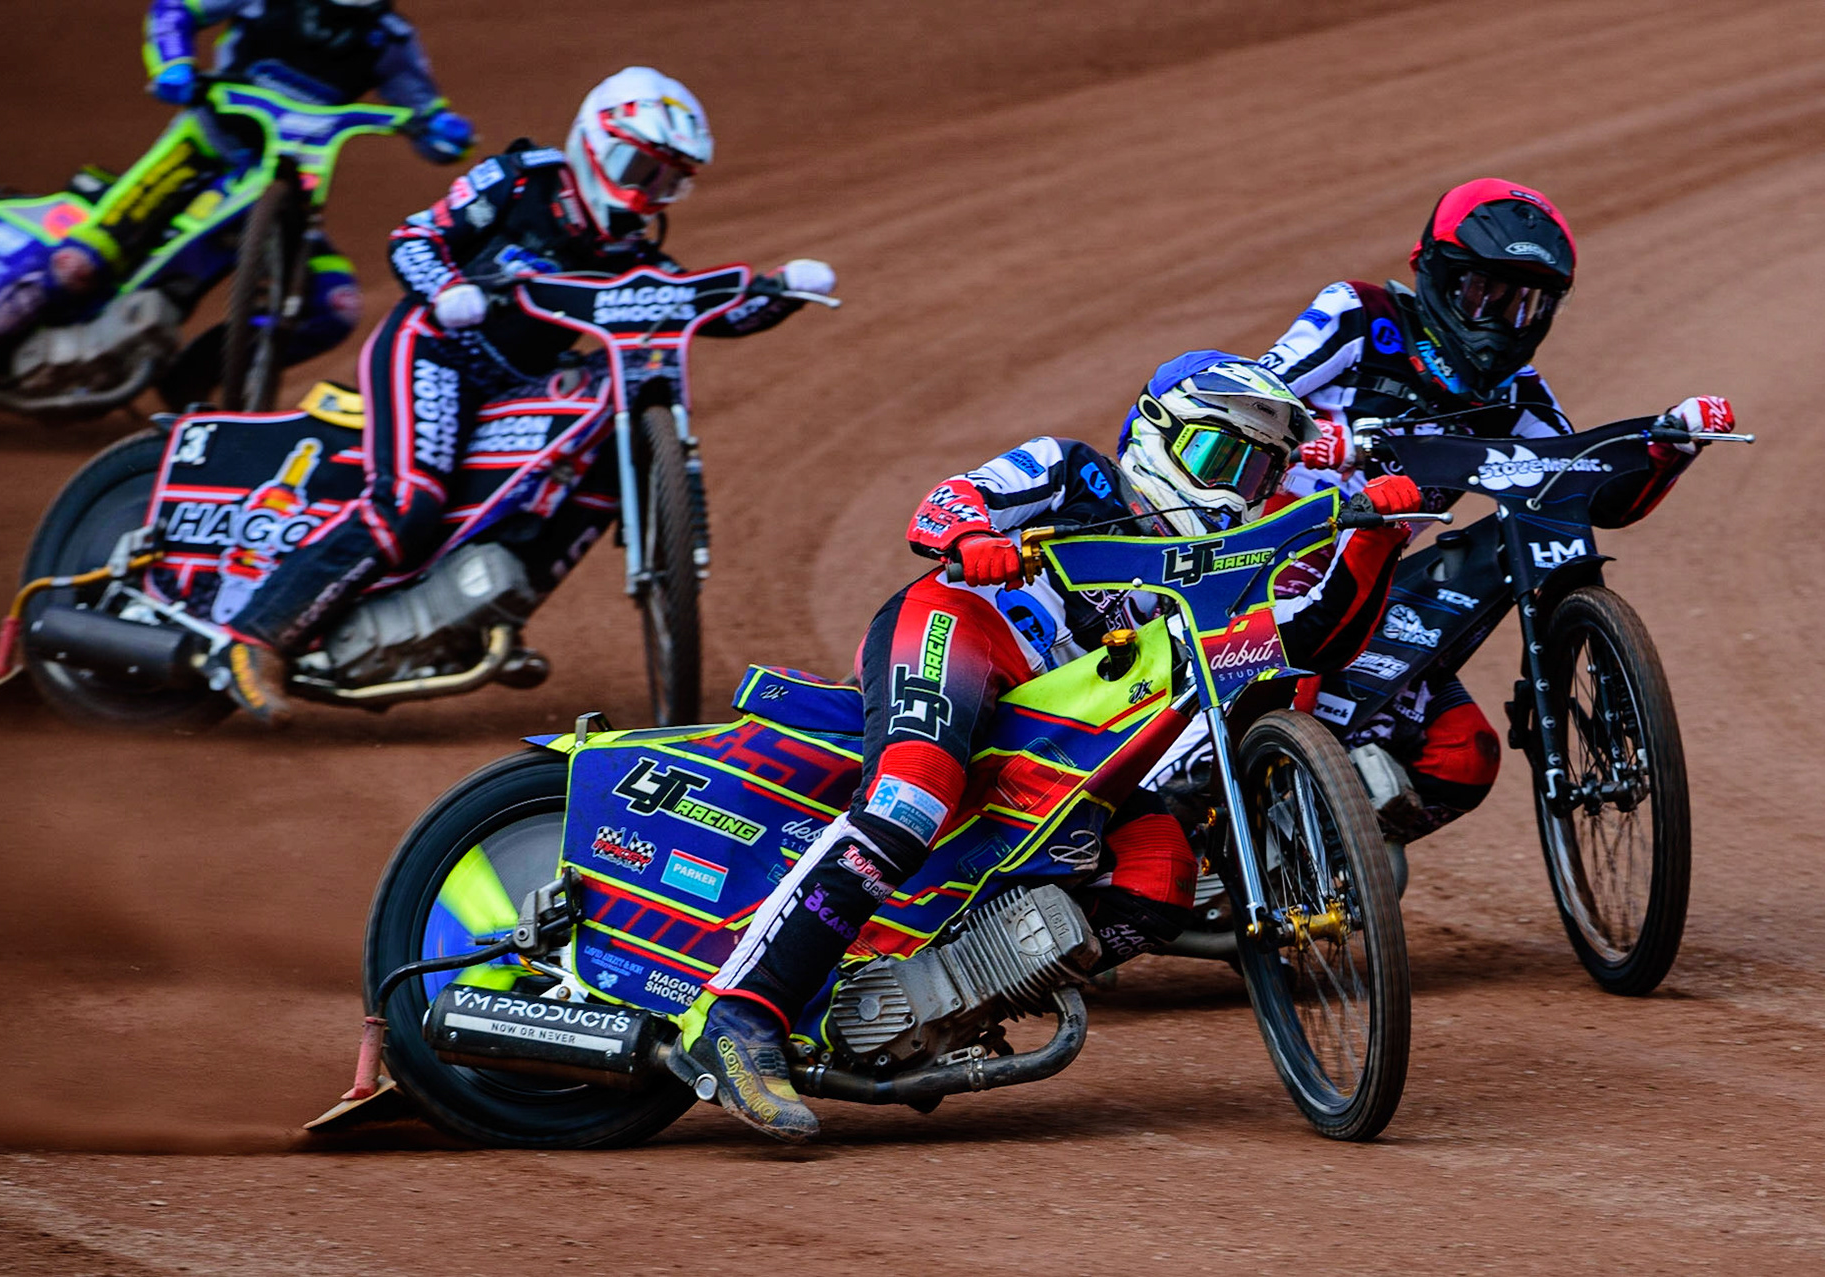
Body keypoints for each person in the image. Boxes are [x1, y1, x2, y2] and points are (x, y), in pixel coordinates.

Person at [678, 352, 1422, 1142]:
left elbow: (1313, 641)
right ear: (1157, 432)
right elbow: (947, 502)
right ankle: (739, 1017)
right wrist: (970, 535)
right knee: (911, 798)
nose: (1238, 490)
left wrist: (1379, 538)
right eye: (1220, 456)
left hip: (1056, 728)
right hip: (958, 627)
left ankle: (936, 999)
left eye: (1259, 472)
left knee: (1160, 870)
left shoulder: (1220, 577)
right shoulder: (1074, 473)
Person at [212, 66, 836, 724]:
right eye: (640, 168)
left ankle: (483, 610)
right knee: (411, 501)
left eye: (668, 181)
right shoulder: (518, 180)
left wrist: (776, 292)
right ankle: (255, 637)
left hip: (515, 380)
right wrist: (450, 289)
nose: (649, 195)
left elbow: (691, 309)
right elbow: (415, 238)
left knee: (588, 459)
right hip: (433, 352)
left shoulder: (628, 246)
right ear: (596, 145)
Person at [1254, 177, 1734, 874]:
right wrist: (1307, 434)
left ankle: (1307, 865)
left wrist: (1666, 450)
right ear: (1439, 277)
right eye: (1485, 293)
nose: (1502, 320)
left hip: (1367, 588)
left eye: (1527, 304)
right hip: (1259, 577)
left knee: (1465, 755)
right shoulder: (1358, 316)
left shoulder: (1516, 394)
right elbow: (1244, 392)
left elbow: (1586, 485)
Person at [0, 0, 475, 392]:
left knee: (334, 307)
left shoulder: (389, 39)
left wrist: (442, 130)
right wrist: (173, 64)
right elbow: (176, 10)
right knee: (81, 264)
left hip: (289, 183)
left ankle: (192, 383)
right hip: (204, 148)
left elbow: (426, 114)